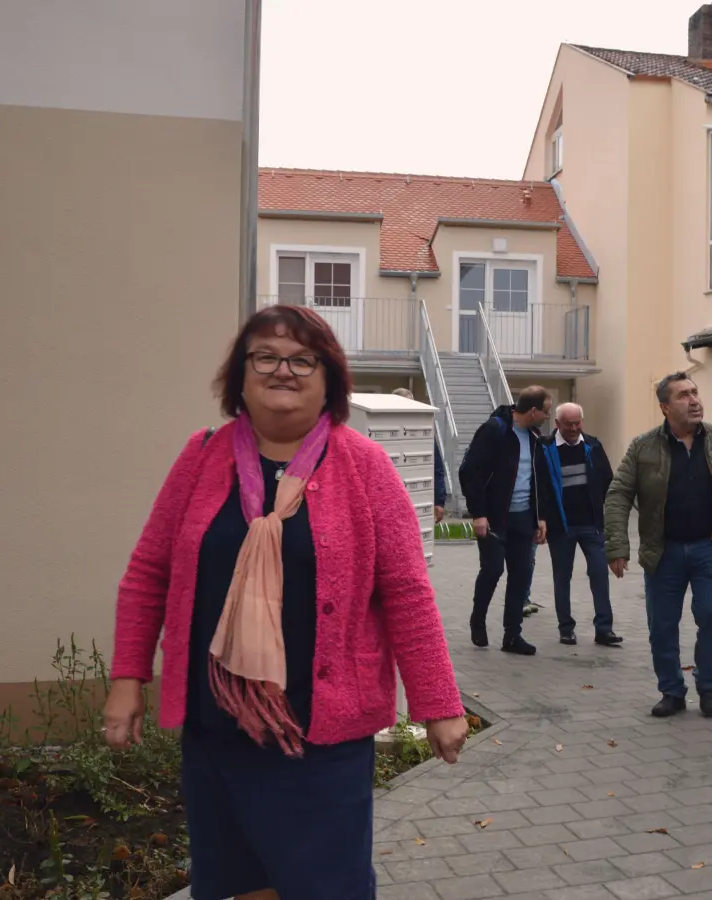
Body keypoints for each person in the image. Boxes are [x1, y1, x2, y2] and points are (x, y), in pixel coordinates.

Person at [104, 305, 468, 900]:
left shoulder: (365, 466)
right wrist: (127, 677)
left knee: (327, 886)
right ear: (240, 376)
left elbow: (406, 593)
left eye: (304, 359)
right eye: (266, 356)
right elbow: (149, 573)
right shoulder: (200, 458)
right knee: (232, 885)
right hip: (217, 730)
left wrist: (438, 703)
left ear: (329, 380)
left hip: (320, 739)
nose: (284, 370)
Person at [605, 373, 712, 718]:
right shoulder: (643, 447)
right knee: (662, 625)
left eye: (695, 392)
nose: (694, 400)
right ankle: (672, 690)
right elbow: (618, 495)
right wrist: (617, 545)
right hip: (664, 552)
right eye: (683, 395)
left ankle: (707, 684)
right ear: (664, 407)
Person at [459, 386, 551, 655]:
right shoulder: (494, 430)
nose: (547, 416)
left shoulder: (535, 437)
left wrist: (541, 517)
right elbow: (470, 473)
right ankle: (478, 620)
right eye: (545, 411)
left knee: (521, 575)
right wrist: (478, 513)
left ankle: (512, 635)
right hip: (494, 518)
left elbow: (539, 480)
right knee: (492, 570)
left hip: (524, 517)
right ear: (533, 411)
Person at [539, 402, 622, 647]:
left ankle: (604, 629)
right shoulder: (544, 449)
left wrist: (605, 511)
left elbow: (608, 479)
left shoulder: (593, 445)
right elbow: (541, 489)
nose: (574, 428)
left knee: (599, 574)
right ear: (557, 424)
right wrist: (543, 518)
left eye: (578, 423)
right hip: (560, 526)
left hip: (591, 524)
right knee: (562, 577)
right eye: (568, 424)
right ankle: (566, 629)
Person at [391, 387, 445, 523]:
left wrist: (439, 501)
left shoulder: (424, 433)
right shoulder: (386, 430)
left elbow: (436, 468)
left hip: (416, 498)